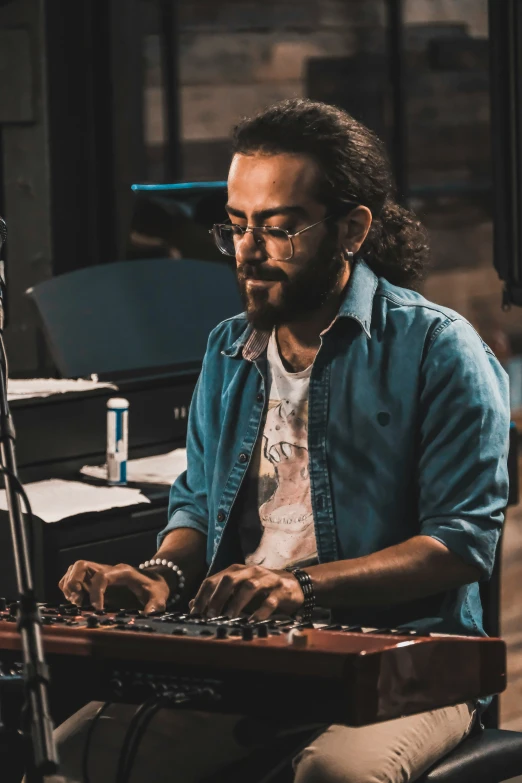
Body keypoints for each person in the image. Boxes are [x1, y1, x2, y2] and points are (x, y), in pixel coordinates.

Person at [55, 99, 510, 783]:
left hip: (411, 661)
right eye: (235, 227)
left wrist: (296, 585)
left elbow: (461, 544)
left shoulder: (439, 349)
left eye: (278, 228)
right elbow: (196, 506)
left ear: (351, 229)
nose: (247, 252)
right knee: (70, 752)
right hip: (258, 656)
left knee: (334, 774)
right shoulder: (225, 351)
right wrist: (158, 577)